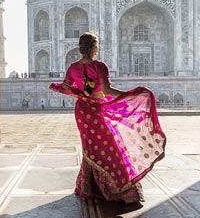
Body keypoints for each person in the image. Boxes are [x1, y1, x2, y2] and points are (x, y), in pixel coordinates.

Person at [49, 32, 166, 204]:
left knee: (91, 148)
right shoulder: (99, 66)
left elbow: (66, 87)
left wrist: (80, 94)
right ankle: (119, 188)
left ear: (81, 48)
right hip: (96, 109)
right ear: (95, 48)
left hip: (82, 111)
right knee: (110, 145)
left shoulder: (73, 67)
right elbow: (107, 90)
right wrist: (129, 95)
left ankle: (90, 187)